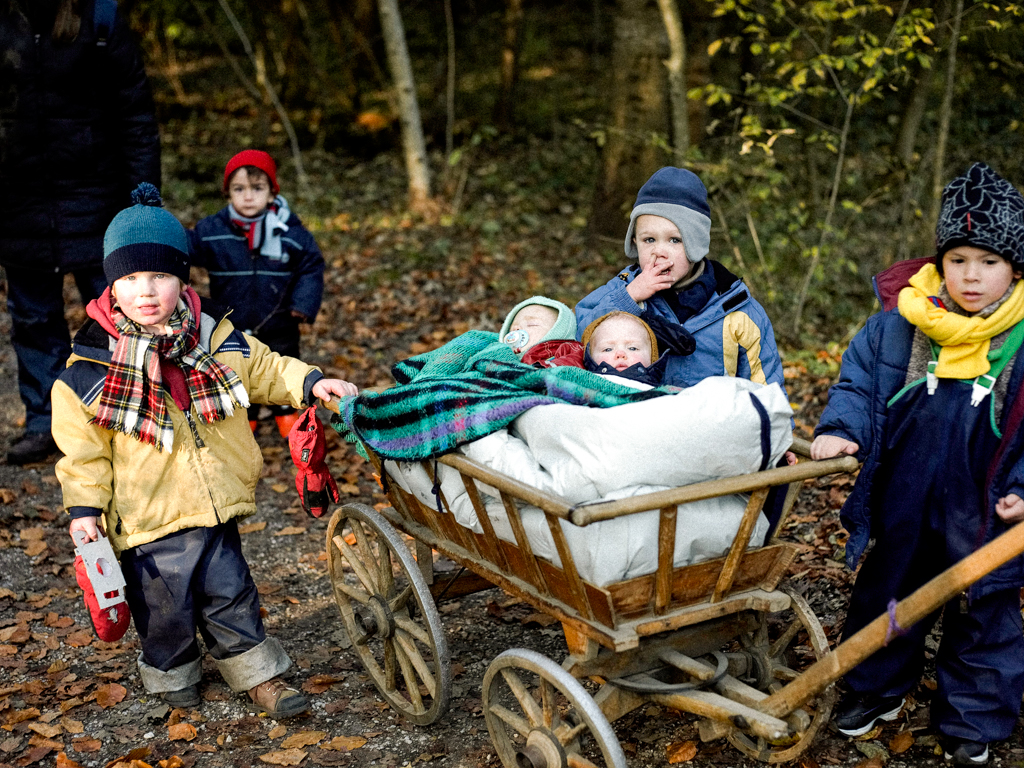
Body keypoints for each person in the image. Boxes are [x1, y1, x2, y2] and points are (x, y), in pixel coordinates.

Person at [51, 185, 358, 717]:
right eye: (130, 279)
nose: (146, 291)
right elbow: (82, 453)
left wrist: (309, 382)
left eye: (161, 277)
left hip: (215, 502)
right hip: (148, 515)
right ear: (111, 283)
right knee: (163, 610)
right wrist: (84, 508)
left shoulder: (215, 334)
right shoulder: (89, 368)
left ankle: (258, 675)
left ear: (184, 277)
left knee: (231, 592)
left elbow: (263, 368)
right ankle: (172, 677)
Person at [811, 162, 1024, 767]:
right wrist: (840, 428)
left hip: (987, 502)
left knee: (984, 608)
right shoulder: (898, 326)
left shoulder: (1022, 338)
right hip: (907, 492)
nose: (972, 276)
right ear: (940, 261)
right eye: (958, 260)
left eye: (988, 262)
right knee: (889, 591)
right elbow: (857, 385)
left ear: (1013, 266)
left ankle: (975, 717)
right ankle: (873, 690)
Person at [0, 0, 161, 464]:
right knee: (33, 320)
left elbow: (136, 115)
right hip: (19, 203)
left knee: (118, 316)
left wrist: (143, 201)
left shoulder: (100, 17)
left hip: (99, 199)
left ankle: (127, 415)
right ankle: (47, 423)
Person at [575, 167, 784, 390]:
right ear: (634, 241)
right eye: (649, 240)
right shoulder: (623, 289)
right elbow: (579, 336)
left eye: (674, 240)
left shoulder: (738, 310)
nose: (659, 252)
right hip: (635, 418)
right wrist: (629, 298)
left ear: (697, 244)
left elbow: (767, 390)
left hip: (711, 421)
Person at [188, 150, 326, 438]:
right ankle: (245, 415)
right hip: (232, 321)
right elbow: (186, 251)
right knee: (237, 366)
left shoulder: (290, 231)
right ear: (228, 193)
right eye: (239, 189)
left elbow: (310, 264)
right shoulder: (212, 231)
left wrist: (303, 302)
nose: (248, 196)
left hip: (278, 318)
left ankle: (287, 415)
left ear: (272, 193)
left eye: (257, 188)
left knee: (284, 361)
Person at [580, 311, 664, 386]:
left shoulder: (667, 395)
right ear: (589, 357)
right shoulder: (579, 388)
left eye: (632, 348)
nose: (620, 354)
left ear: (652, 358)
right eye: (608, 349)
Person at [499, 296, 584, 368]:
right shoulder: (498, 353)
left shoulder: (566, 350)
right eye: (512, 327)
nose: (516, 329)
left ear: (556, 333)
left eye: (532, 324)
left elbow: (572, 367)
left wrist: (541, 369)